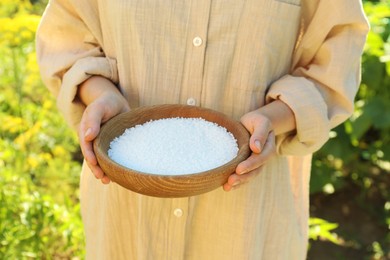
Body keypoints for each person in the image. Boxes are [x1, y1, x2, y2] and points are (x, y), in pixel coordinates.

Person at [36, 0, 369, 259]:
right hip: (126, 209)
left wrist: (276, 117)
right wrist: (101, 94)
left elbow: (335, 59)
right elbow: (66, 38)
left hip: (246, 214)